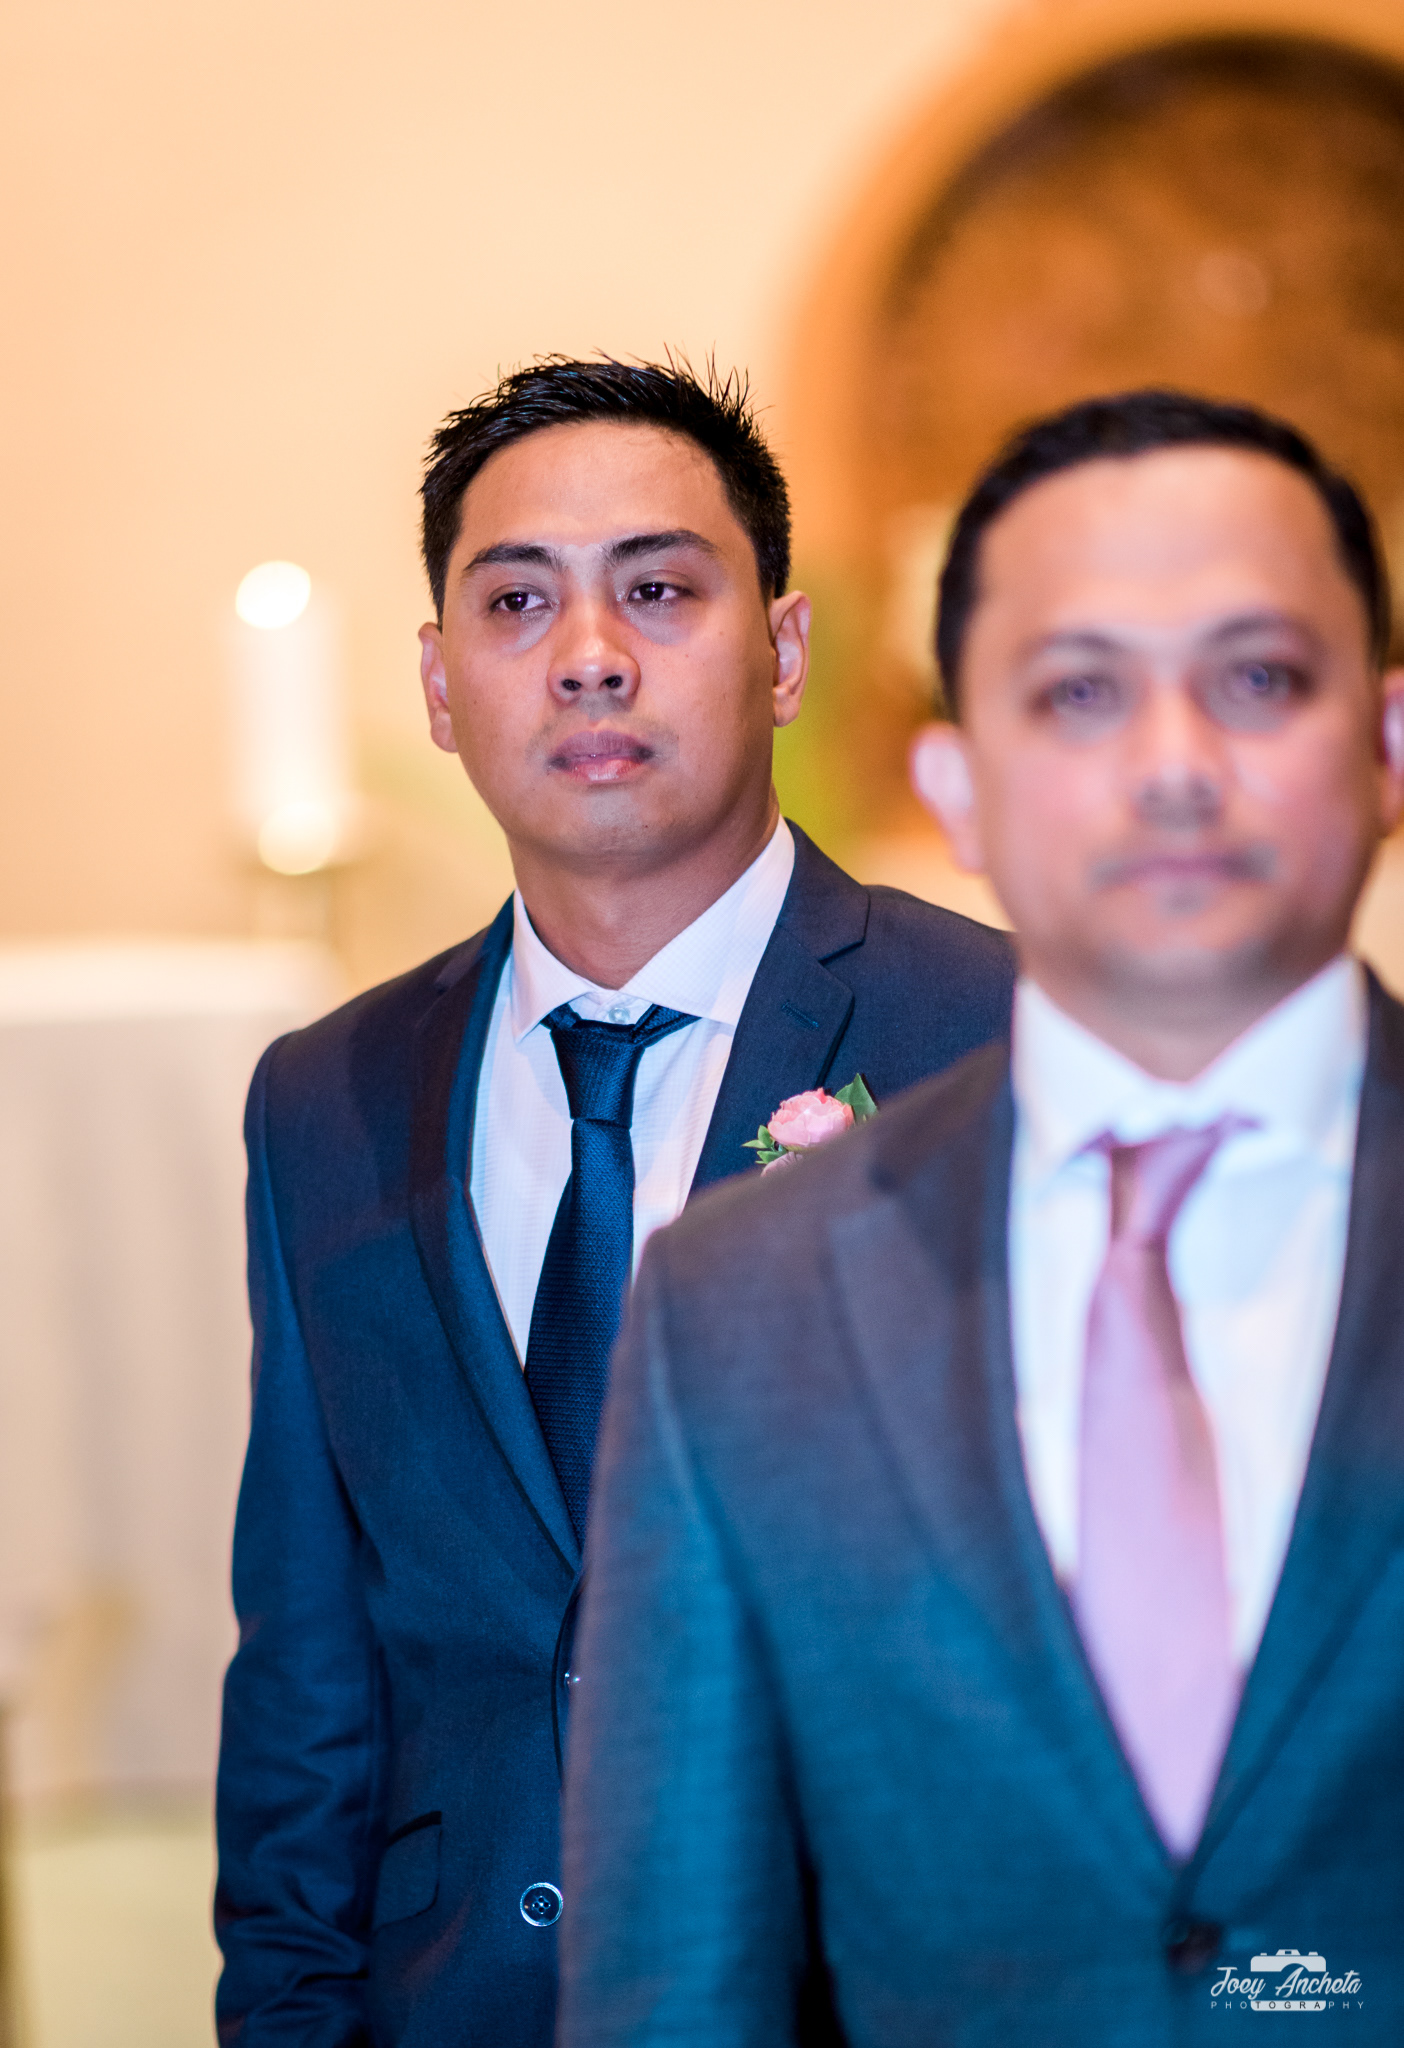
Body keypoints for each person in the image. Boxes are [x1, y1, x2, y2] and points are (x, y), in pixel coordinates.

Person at [559, 389, 1404, 2045]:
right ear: (955, 784)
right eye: (1080, 692)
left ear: (1383, 747)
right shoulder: (743, 1306)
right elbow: (677, 1984)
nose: (1175, 767)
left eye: (1256, 679)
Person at [212, 356, 1014, 2046]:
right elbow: (307, 1668)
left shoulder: (1001, 1043)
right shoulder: (327, 1100)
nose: (589, 653)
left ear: (783, 651)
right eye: (518, 602)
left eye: (657, 589)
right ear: (441, 684)